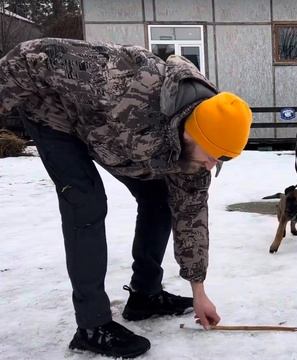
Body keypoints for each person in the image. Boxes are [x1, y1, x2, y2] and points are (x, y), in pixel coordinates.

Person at [0, 38, 252, 358]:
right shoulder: (122, 79)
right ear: (193, 133)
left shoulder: (195, 155)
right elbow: (33, 57)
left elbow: (191, 218)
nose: (212, 165)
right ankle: (92, 325)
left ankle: (144, 295)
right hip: (54, 116)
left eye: (223, 160)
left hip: (114, 139)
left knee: (161, 199)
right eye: (214, 155)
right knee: (87, 203)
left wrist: (198, 290)